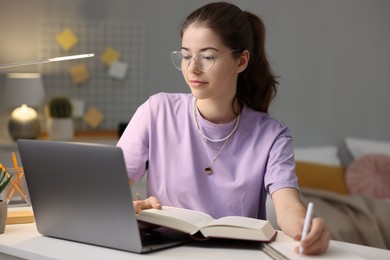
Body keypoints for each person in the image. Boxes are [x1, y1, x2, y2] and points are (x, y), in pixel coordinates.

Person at [117, 1, 330, 255]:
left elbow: (288, 209)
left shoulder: (272, 136)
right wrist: (131, 206)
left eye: (207, 57)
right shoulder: (156, 111)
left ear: (241, 61)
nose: (192, 68)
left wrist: (306, 229)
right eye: (186, 56)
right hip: (164, 253)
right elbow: (107, 191)